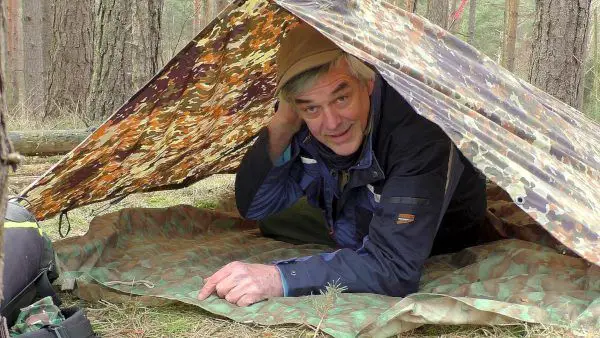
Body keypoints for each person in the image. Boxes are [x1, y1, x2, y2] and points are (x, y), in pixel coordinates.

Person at [197, 23, 487, 307]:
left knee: (379, 258)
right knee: (273, 220)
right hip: (348, 218)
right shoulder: (299, 119)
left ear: (368, 83)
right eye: (311, 107)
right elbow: (255, 207)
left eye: (342, 98)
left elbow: (395, 268)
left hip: (435, 235)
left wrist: (280, 277)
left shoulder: (419, 132)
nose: (332, 123)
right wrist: (284, 121)